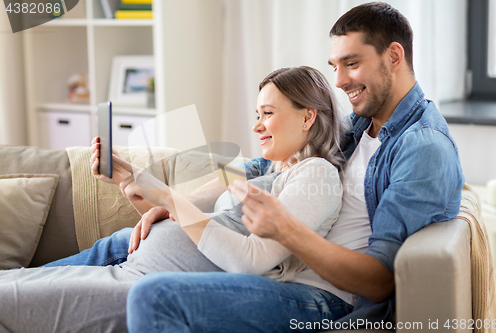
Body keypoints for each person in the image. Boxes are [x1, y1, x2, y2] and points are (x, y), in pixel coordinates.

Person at [124, 2, 465, 332]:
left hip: (324, 298)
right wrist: (175, 202)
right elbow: (257, 165)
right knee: (121, 243)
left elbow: (378, 281)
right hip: (286, 277)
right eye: (334, 66)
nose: (340, 81)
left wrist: (286, 229)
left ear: (393, 56)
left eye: (351, 63)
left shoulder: (423, 148)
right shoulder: (356, 127)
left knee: (155, 296)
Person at [0, 66, 347, 332]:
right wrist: (131, 179)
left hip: (145, 285)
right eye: (257, 115)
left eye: (268, 114)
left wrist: (166, 197)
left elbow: (250, 262)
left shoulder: (317, 174)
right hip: (131, 268)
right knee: (8, 284)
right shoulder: (257, 170)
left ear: (307, 116)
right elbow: (179, 212)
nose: (257, 126)